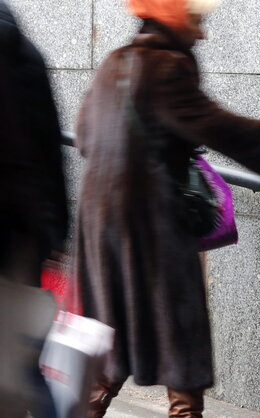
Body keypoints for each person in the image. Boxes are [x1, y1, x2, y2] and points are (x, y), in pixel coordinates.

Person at [73, 0, 260, 416]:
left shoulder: (113, 64)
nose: (203, 34)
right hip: (153, 227)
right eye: (198, 22)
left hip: (101, 226)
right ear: (174, 21)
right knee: (182, 345)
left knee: (111, 340)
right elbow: (220, 127)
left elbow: (85, 135)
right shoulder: (166, 67)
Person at [0, 2, 69, 416]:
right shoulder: (26, 51)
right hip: (23, 239)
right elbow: (50, 151)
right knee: (22, 367)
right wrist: (53, 232)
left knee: (19, 372)